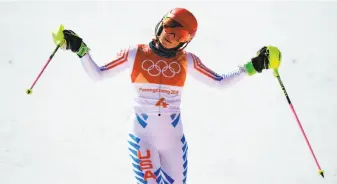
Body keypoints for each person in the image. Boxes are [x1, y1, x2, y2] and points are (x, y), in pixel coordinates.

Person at [53, 7, 281, 184]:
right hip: (142, 138)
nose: (170, 36)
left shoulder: (188, 61)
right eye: (169, 27)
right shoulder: (135, 54)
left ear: (186, 40)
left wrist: (254, 65)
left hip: (173, 141)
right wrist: (79, 48)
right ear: (160, 24)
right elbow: (99, 75)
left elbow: (219, 82)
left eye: (179, 33)